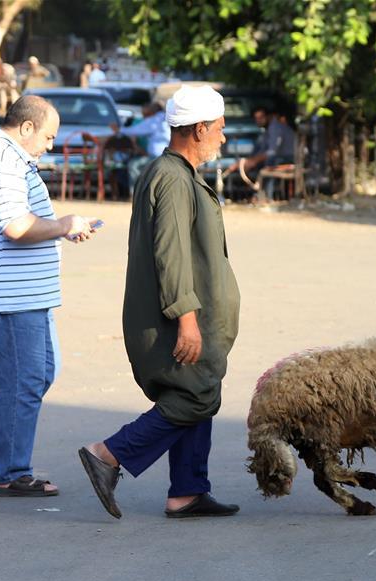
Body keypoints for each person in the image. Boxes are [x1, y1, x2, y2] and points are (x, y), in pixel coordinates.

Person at [78, 85, 241, 519]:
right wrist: (186, 319)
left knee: (200, 387)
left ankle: (187, 491)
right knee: (195, 397)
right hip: (176, 316)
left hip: (190, 314)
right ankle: (108, 454)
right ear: (200, 128)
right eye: (220, 130)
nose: (224, 139)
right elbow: (170, 255)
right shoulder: (171, 177)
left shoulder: (179, 173)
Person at [0, 96, 100, 497]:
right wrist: (63, 224)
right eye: (48, 136)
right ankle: (11, 472)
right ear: (26, 127)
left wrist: (63, 228)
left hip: (23, 292)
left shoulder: (11, 157)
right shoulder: (1, 158)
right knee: (25, 379)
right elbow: (14, 225)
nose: (50, 145)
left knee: (40, 371)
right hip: (8, 296)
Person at [224, 106, 295, 200]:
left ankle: (266, 197)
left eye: (261, 117)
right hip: (278, 158)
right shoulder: (266, 131)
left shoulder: (275, 127)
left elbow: (272, 152)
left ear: (268, 117)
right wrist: (246, 162)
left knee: (269, 163)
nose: (258, 120)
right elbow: (260, 151)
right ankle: (255, 195)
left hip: (288, 158)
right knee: (260, 162)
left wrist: (254, 161)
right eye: (256, 118)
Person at [108, 101, 170, 187]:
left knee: (133, 165)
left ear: (151, 112)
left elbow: (135, 131)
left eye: (145, 114)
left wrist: (119, 130)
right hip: (165, 156)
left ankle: (135, 193)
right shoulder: (166, 119)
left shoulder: (154, 121)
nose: (144, 117)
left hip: (156, 157)